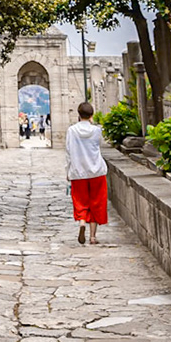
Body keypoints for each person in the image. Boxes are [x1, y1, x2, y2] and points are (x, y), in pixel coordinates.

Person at [65, 100, 108, 245]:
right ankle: (93, 236)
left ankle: (82, 222)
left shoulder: (72, 130)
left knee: (80, 201)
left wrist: (68, 170)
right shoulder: (96, 130)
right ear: (91, 115)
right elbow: (99, 146)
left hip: (78, 171)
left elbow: (68, 152)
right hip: (96, 170)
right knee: (96, 202)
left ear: (78, 114)